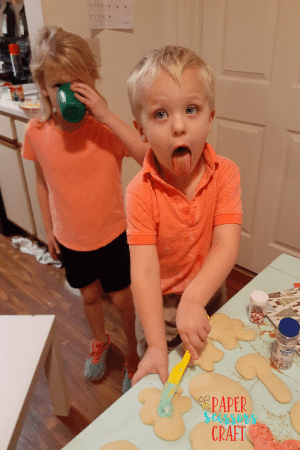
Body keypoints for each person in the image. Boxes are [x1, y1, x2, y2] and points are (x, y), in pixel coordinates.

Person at [22, 26, 148, 392]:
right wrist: (48, 229)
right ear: (44, 87)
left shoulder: (105, 129)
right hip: (71, 238)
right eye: (59, 85)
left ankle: (133, 352)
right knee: (89, 295)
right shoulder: (37, 132)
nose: (68, 93)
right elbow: (42, 182)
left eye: (79, 83)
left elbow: (146, 158)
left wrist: (107, 115)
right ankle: (99, 340)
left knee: (124, 298)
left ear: (92, 79)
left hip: (112, 233)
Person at [126, 45, 243, 385]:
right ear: (142, 130)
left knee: (205, 368)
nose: (178, 126)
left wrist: (195, 299)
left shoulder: (227, 174)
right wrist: (157, 348)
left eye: (191, 109)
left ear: (210, 118)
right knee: (161, 367)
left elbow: (225, 246)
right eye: (160, 114)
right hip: (158, 305)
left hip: (208, 289)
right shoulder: (139, 193)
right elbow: (145, 273)